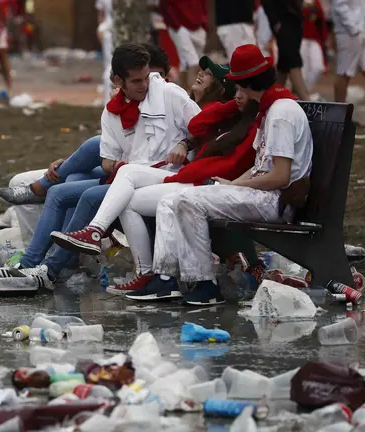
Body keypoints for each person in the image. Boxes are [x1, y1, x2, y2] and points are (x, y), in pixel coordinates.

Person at [0, 43, 200, 288]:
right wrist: (119, 165)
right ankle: (28, 264)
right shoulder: (112, 112)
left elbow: (202, 126)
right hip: (126, 179)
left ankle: (50, 271)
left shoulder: (169, 94)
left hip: (166, 177)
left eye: (146, 78)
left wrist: (184, 143)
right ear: (119, 81)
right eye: (136, 81)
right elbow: (107, 160)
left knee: (88, 195)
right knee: (57, 192)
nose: (144, 85)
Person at [53, 58, 259, 292]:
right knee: (123, 186)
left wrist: (240, 104)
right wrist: (229, 107)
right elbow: (198, 126)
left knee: (116, 180)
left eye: (210, 74)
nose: (200, 75)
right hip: (186, 178)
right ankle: (138, 267)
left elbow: (232, 163)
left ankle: (97, 241)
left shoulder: (247, 125)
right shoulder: (220, 115)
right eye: (238, 90)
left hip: (201, 183)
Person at [130, 44, 312, 305]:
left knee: (187, 200)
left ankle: (204, 284)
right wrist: (232, 185)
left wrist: (240, 185)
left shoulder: (281, 113)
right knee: (172, 199)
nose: (235, 90)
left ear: (247, 83)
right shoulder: (270, 109)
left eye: (237, 84)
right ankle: (167, 278)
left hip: (275, 200)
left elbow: (281, 177)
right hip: (261, 193)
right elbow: (261, 164)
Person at [0, 43, 172, 207]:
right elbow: (113, 153)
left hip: (148, 175)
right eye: (139, 80)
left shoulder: (173, 100)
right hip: (122, 168)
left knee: (88, 156)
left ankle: (41, 188)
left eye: (155, 77)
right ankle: (59, 232)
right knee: (74, 176)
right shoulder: (122, 104)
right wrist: (71, 163)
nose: (150, 85)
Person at [262, 0, 311, 99]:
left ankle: (271, 99)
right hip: (283, 20)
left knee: (284, 65)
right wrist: (274, 21)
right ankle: (307, 100)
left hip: (294, 21)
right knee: (293, 60)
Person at [161, 0, 208, 87]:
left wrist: (203, 22)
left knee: (185, 63)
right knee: (193, 62)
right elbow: (164, 5)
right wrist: (176, 25)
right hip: (179, 25)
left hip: (197, 25)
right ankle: (193, 96)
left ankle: (184, 92)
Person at [331, 0, 364, 102]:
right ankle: (339, 113)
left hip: (359, 31)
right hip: (348, 33)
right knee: (345, 72)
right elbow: (340, 5)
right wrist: (353, 28)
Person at [300, 0, 328, 91]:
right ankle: (302, 96)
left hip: (314, 39)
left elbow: (321, 21)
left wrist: (324, 38)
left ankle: (305, 92)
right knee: (302, 71)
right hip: (300, 39)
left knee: (318, 67)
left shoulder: (316, 2)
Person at [96, 0, 114, 103]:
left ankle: (108, 99)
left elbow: (100, 15)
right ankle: (108, 100)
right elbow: (101, 14)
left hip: (107, 29)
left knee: (109, 64)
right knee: (110, 65)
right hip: (108, 30)